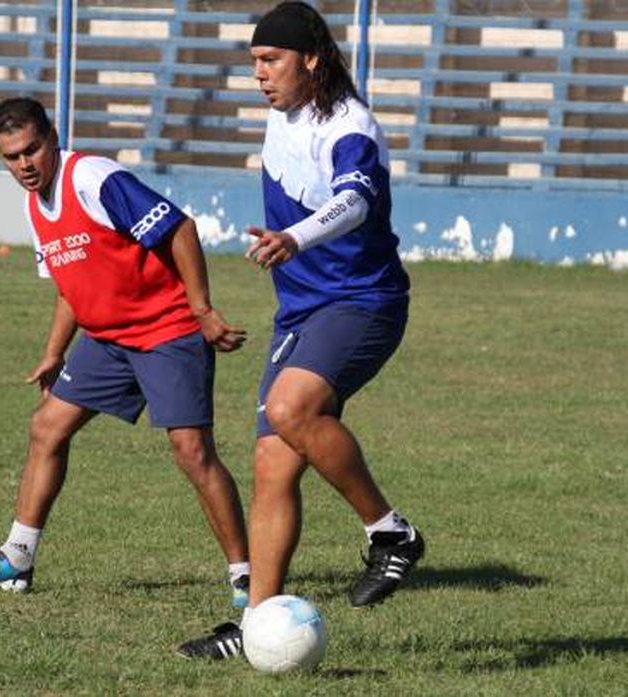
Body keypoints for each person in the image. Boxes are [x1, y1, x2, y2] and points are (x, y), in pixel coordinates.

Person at [177, 2, 424, 659]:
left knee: (290, 409)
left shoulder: (351, 126)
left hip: (361, 302)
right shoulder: (284, 112)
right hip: (302, 311)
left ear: (311, 58)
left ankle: (389, 530)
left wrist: (295, 235)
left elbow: (355, 198)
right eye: (254, 62)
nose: (259, 74)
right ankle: (257, 624)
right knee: (269, 463)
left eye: (271, 60)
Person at [0, 97, 251, 608]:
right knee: (46, 427)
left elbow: (181, 228)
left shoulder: (94, 180)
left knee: (192, 452)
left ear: (53, 138)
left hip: (166, 329)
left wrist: (202, 311)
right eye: (11, 156)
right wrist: (53, 351)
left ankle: (246, 578)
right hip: (107, 341)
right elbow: (70, 286)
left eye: (32, 150)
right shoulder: (32, 203)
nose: (24, 164)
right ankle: (16, 559)